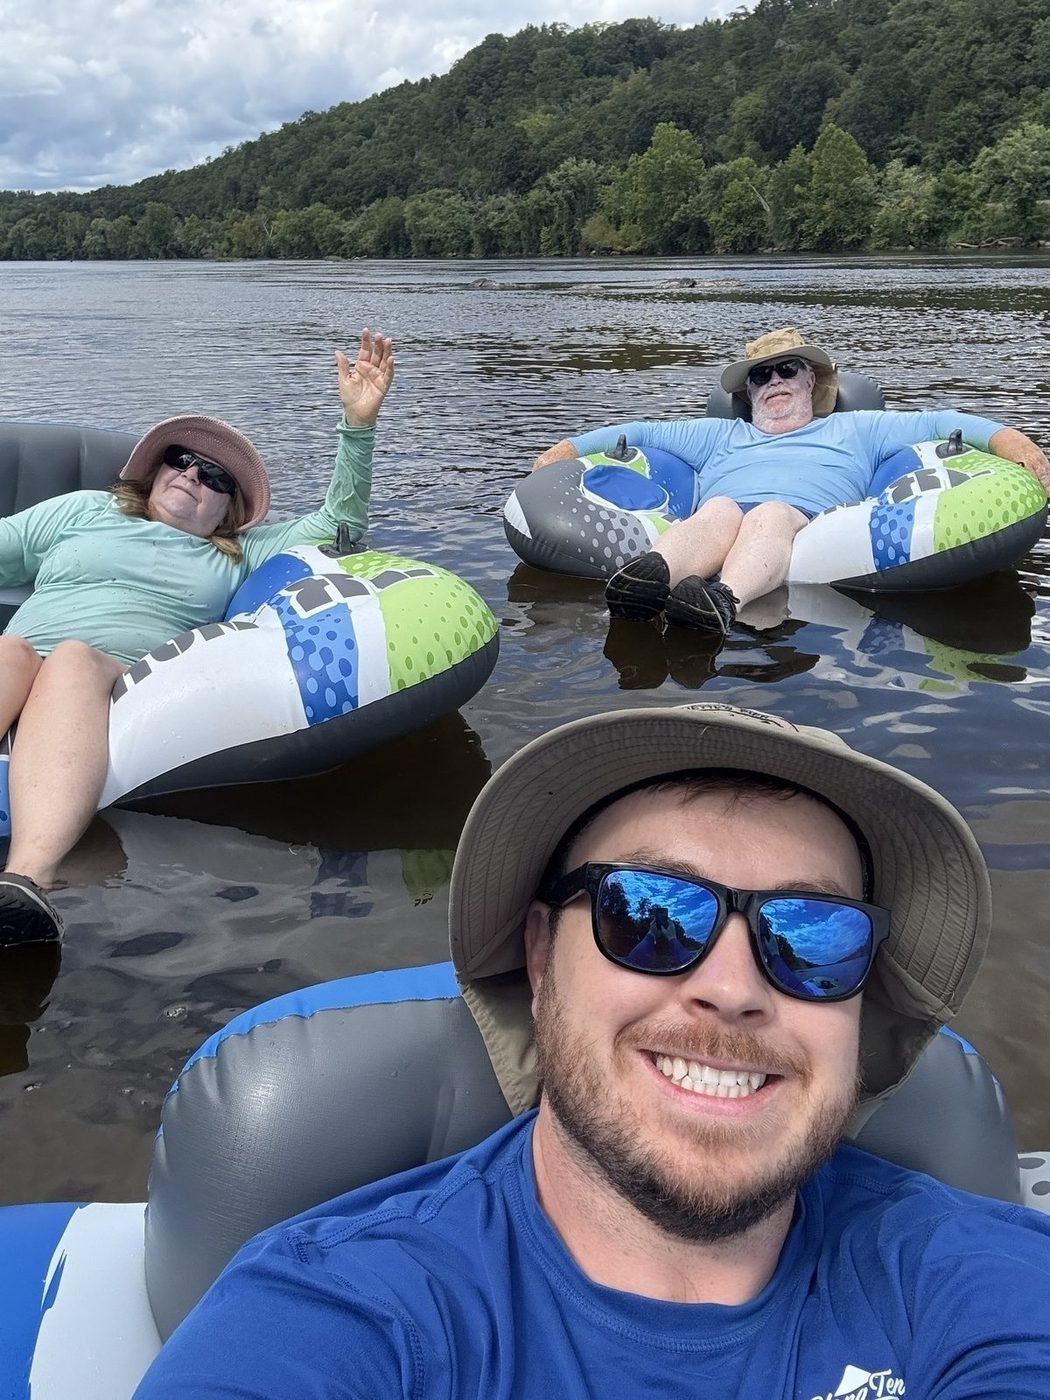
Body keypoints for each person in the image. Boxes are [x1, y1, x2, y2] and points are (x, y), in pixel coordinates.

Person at [133, 702, 1050, 1398]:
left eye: (814, 938)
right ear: (540, 957)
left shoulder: (970, 1280)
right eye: (649, 915)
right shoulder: (346, 1315)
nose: (733, 989)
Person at [0, 328, 395, 947]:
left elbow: (341, 529)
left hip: (115, 680)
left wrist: (358, 426)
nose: (191, 475)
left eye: (213, 477)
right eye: (180, 460)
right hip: (18, 665)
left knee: (71, 661)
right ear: (154, 471)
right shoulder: (81, 510)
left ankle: (27, 883)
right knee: (11, 650)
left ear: (230, 511)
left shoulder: (240, 553)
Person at [533, 327, 1050, 640]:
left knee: (768, 513)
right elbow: (634, 431)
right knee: (720, 512)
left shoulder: (859, 427)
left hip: (810, 526)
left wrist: (1020, 446)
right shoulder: (717, 434)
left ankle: (722, 601)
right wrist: (562, 451)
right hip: (722, 517)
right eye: (761, 375)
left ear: (812, 380)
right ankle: (647, 584)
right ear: (749, 391)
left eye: (787, 369)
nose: (774, 381)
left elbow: (945, 423)